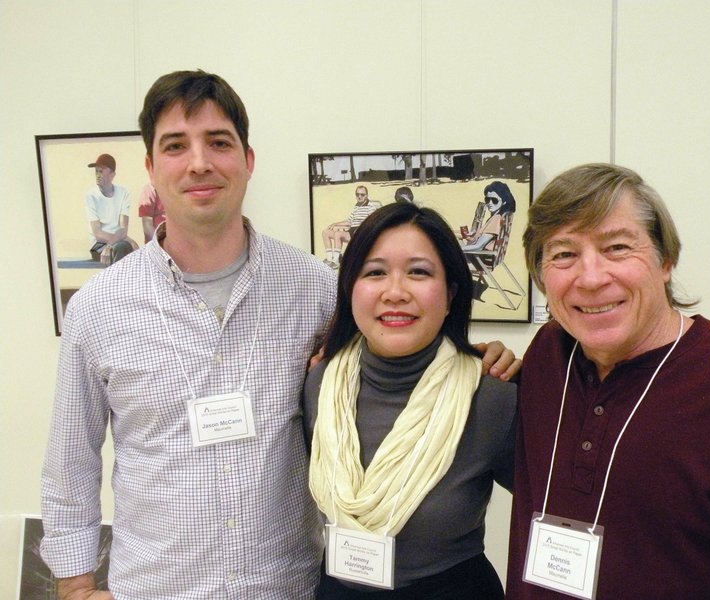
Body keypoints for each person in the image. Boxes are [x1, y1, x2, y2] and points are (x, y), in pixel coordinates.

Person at [40, 70, 520, 600]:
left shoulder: (314, 289)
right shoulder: (98, 309)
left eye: (219, 143)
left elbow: (395, 351)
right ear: (151, 168)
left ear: (247, 161)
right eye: (176, 146)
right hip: (156, 588)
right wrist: (77, 585)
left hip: (287, 588)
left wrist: (472, 356)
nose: (200, 162)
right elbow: (71, 462)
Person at [506, 163, 710, 599]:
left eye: (618, 248)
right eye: (564, 254)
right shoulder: (548, 356)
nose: (591, 277)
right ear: (541, 274)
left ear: (666, 260)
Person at [305, 202, 517, 599]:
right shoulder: (319, 384)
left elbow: (560, 509)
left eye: (419, 272)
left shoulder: (492, 394)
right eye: (375, 272)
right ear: (350, 288)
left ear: (451, 292)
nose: (395, 292)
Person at [85, 153, 139, 265]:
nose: (98, 175)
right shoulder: (91, 196)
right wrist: (126, 239)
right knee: (124, 247)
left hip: (118, 243)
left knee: (127, 249)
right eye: (96, 171)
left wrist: (116, 242)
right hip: (99, 245)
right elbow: (98, 233)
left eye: (101, 171)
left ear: (112, 175)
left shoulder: (124, 192)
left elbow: (123, 229)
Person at [322, 185, 381, 269]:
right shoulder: (356, 206)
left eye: (362, 194)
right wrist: (335, 224)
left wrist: (361, 228)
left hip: (359, 232)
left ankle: (335, 261)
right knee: (326, 232)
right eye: (357, 194)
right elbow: (349, 222)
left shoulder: (370, 206)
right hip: (351, 231)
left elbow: (372, 221)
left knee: (338, 234)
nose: (359, 196)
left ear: (366, 195)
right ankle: (329, 258)